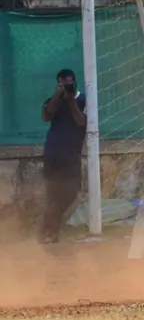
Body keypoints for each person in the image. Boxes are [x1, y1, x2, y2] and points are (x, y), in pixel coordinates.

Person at [39, 69, 87, 244]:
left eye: (69, 83)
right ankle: (50, 234)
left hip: (71, 155)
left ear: (75, 82)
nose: (66, 86)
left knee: (70, 193)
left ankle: (48, 225)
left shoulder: (83, 100)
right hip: (53, 153)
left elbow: (82, 122)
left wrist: (71, 101)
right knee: (52, 194)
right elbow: (46, 116)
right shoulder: (54, 101)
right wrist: (57, 96)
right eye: (62, 83)